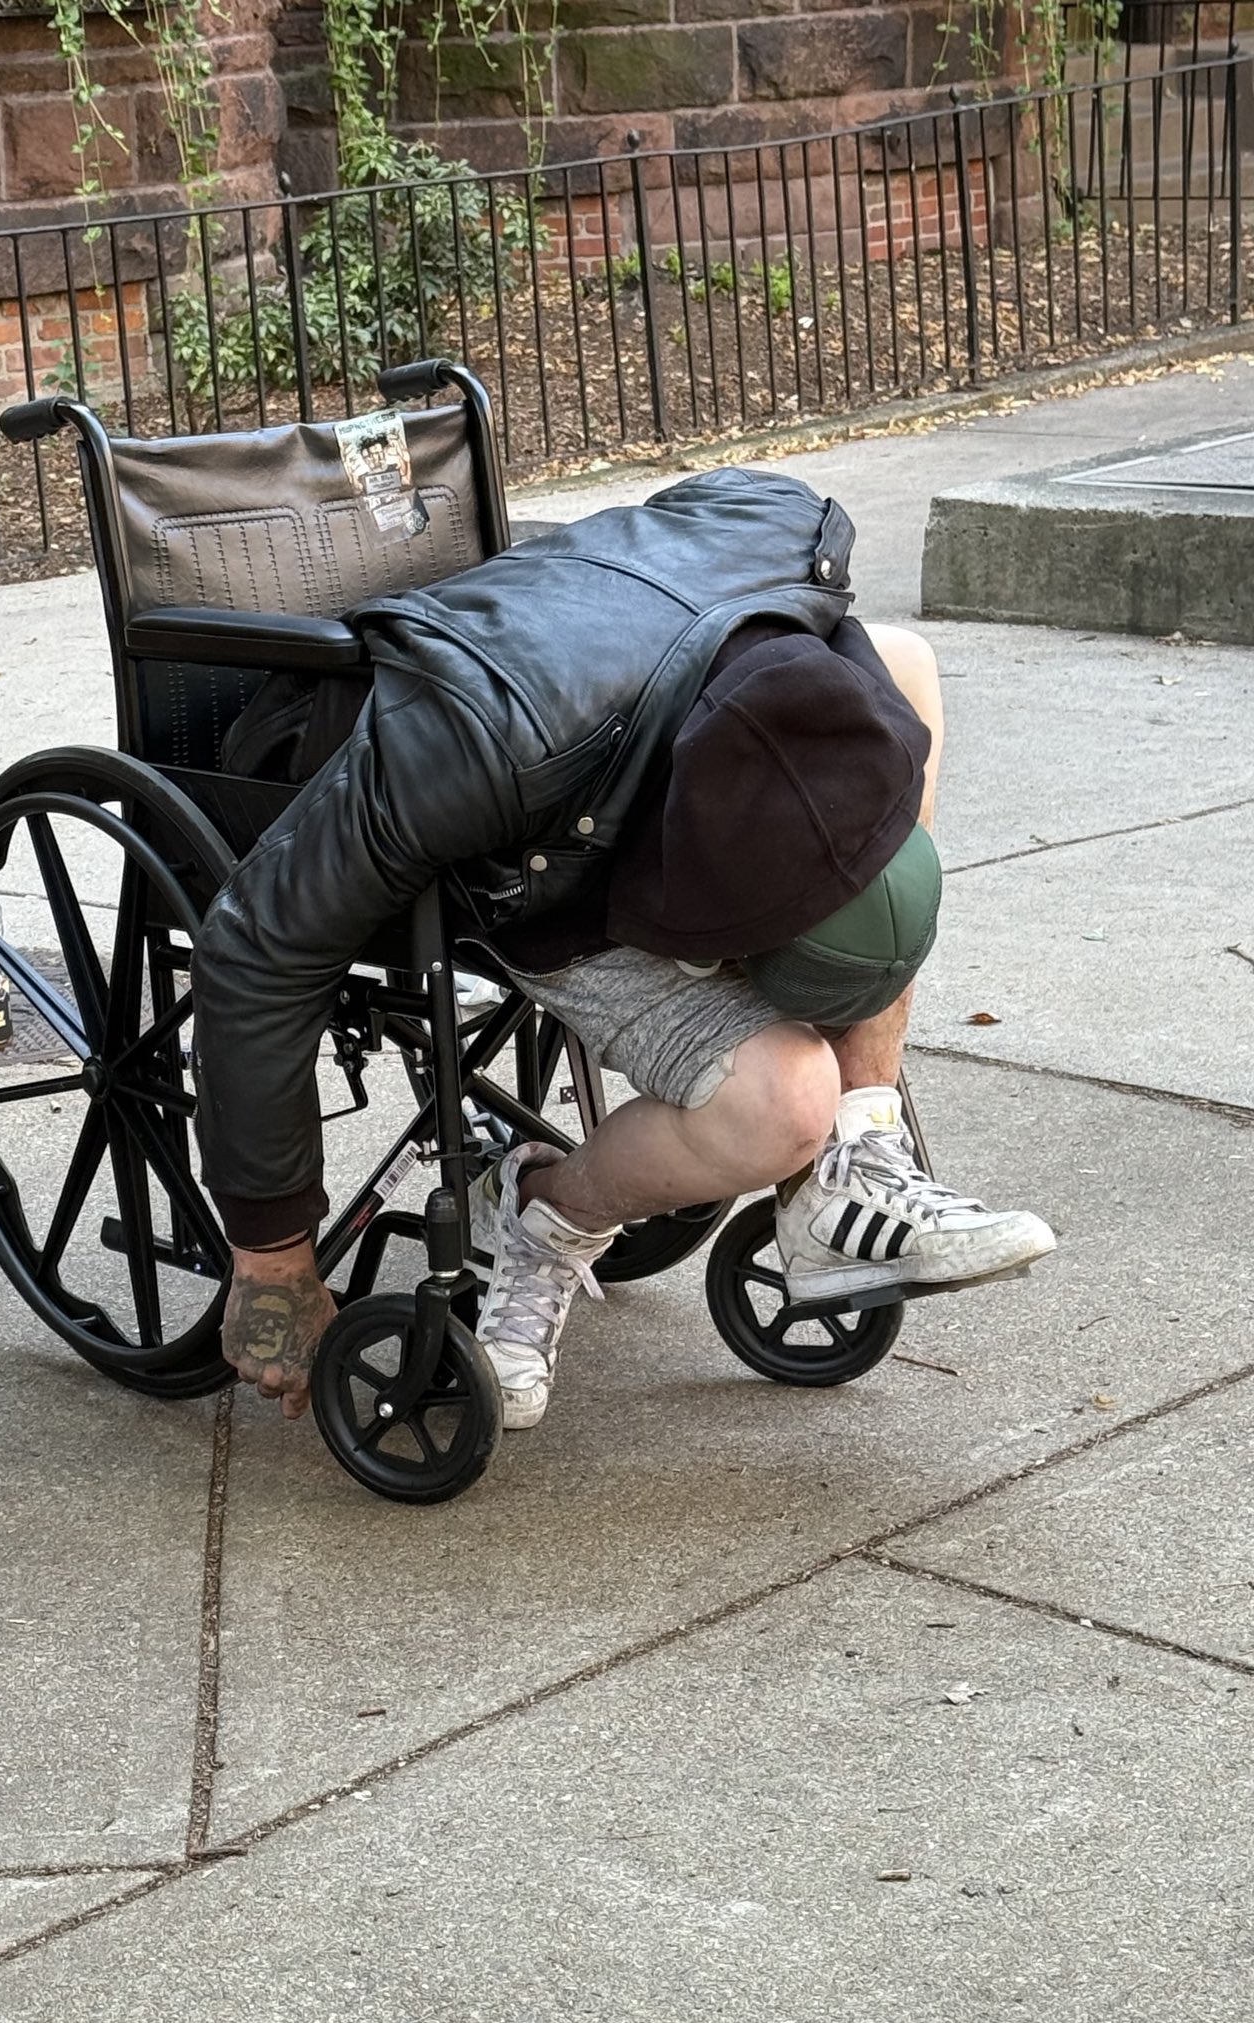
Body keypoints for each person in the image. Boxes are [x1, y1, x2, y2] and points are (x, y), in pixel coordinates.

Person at [191, 468, 1055, 1429]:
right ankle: (539, 1219)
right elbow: (254, 953)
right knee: (781, 1104)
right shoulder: (467, 753)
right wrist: (272, 1261)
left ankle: (851, 1166)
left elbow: (734, 497)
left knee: (903, 658)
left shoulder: (786, 540)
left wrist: (855, 1069)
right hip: (512, 835)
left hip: (616, 738)